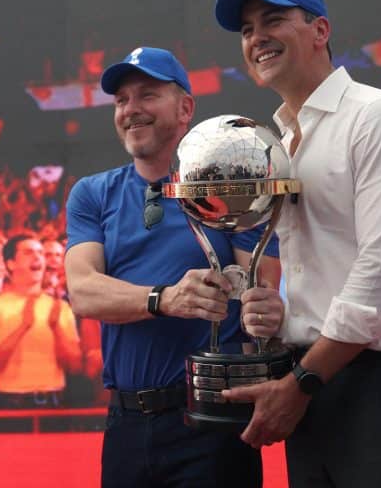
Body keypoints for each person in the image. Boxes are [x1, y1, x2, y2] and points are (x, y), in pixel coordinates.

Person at [213, 0, 381, 487]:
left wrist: (303, 380)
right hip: (318, 385)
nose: (256, 37)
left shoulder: (380, 117)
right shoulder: (277, 142)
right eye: (246, 29)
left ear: (320, 30)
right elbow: (327, 269)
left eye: (273, 20)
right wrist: (281, 311)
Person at [64, 46, 283, 487]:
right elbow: (83, 291)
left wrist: (267, 312)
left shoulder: (230, 187)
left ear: (185, 108)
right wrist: (164, 299)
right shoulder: (92, 194)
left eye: (147, 95)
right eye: (122, 100)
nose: (131, 109)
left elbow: (262, 292)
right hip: (125, 422)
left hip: (211, 421)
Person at [0, 235, 81, 408]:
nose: (37, 257)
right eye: (28, 252)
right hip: (9, 403)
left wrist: (56, 328)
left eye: (40, 252)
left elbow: (74, 366)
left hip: (54, 402)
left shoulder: (60, 308)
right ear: (11, 263)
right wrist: (23, 327)